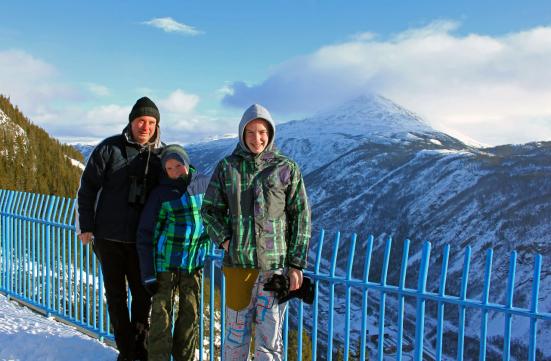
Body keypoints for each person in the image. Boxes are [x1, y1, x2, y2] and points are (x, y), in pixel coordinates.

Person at [201, 104, 311, 361]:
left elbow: (300, 217)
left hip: (274, 270)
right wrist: (226, 240)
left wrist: (296, 263)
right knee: (234, 340)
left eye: (261, 131)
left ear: (270, 133)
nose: (256, 138)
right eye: (250, 132)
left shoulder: (286, 168)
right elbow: (209, 210)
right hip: (239, 268)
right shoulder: (227, 167)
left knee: (270, 341)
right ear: (242, 133)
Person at [77, 96, 163, 361]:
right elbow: (88, 188)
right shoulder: (109, 148)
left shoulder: (161, 155)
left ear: (157, 126)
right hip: (108, 238)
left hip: (142, 243)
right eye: (141, 121)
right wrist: (87, 226)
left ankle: (140, 348)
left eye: (151, 122)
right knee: (115, 297)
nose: (145, 127)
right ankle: (126, 351)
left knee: (142, 297)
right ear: (131, 121)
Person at [136, 144, 210, 361]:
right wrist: (148, 274)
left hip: (193, 264)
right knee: (161, 317)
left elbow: (217, 215)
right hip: (165, 265)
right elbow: (146, 233)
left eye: (179, 165)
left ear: (187, 163)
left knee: (190, 316)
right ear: (164, 171)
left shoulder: (204, 184)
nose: (176, 171)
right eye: (169, 168)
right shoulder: (161, 194)